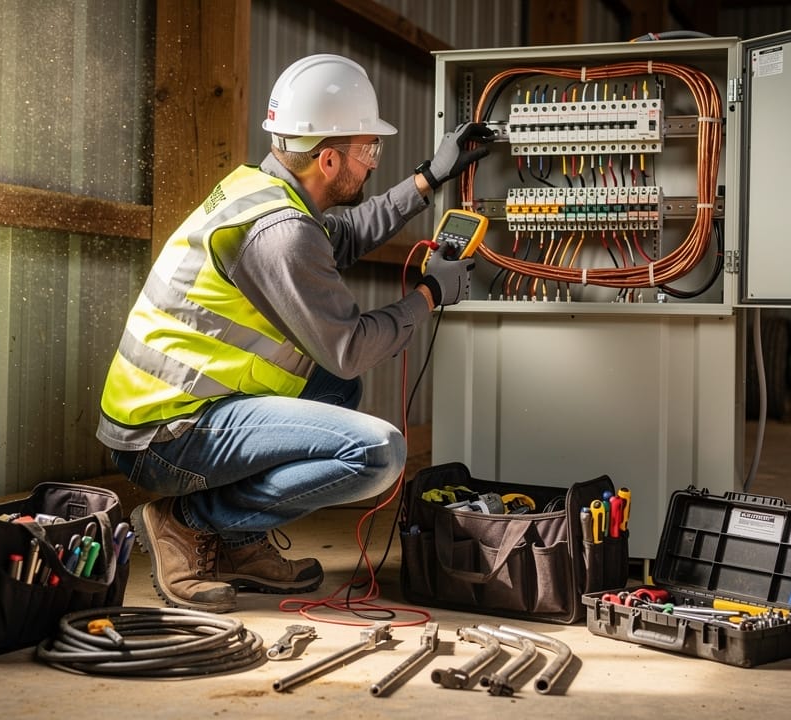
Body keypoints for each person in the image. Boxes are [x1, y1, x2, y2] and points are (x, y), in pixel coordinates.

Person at [97, 53, 494, 612]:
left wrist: (428, 179)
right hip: (165, 435)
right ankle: (185, 524)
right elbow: (351, 347)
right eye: (369, 150)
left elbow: (346, 232)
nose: (374, 162)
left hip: (178, 407)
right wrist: (430, 294)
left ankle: (235, 544)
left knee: (334, 389)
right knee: (377, 453)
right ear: (329, 160)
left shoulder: (267, 189)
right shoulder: (280, 233)